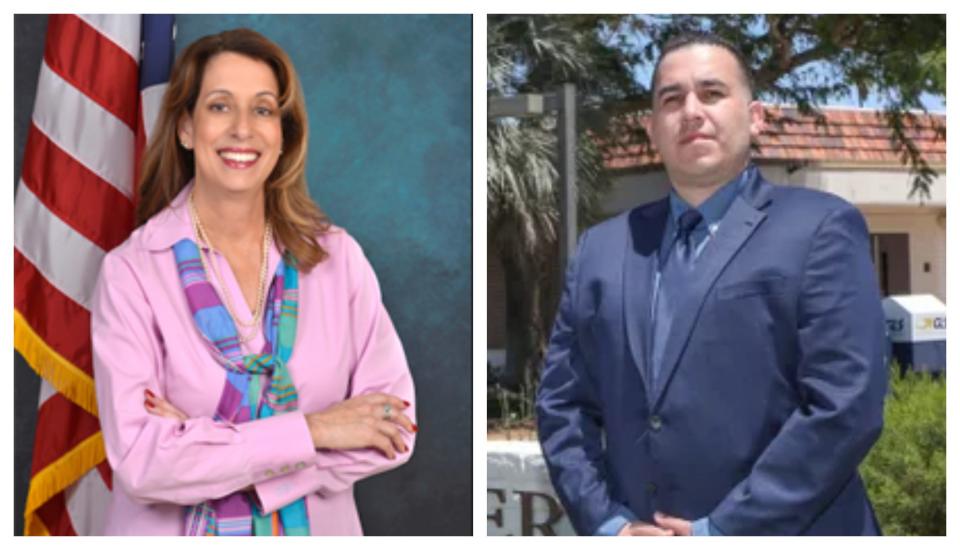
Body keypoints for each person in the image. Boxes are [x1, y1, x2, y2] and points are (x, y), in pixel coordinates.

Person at [535, 32, 888, 536]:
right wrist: (608, 523)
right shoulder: (601, 250)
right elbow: (562, 405)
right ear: (653, 129)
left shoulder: (820, 228)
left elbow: (845, 403)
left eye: (712, 93)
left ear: (756, 115)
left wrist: (720, 530)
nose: (691, 111)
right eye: (671, 99)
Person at [91, 28, 416, 536]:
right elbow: (142, 463)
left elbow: (394, 428)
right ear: (185, 127)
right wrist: (318, 430)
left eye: (263, 110)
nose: (243, 129)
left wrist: (208, 451)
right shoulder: (131, 272)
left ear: (283, 133)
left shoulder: (338, 260)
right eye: (220, 107)